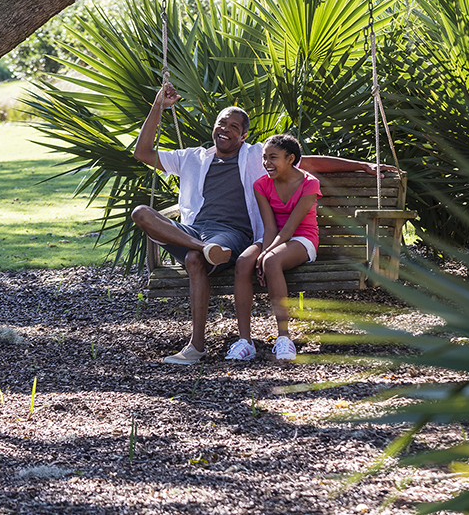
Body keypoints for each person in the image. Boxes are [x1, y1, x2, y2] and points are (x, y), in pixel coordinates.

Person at [132, 83, 393, 365]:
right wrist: (158, 105)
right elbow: (142, 153)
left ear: (243, 135)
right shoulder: (192, 158)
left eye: (234, 127)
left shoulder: (257, 156)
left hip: (231, 235)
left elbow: (307, 163)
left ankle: (195, 346)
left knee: (195, 260)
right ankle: (203, 248)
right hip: (195, 232)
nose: (226, 129)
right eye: (222, 123)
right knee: (141, 213)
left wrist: (362, 165)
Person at [226, 134, 319, 362]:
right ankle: (245, 341)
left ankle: (284, 338)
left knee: (271, 261)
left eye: (273, 158)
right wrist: (263, 251)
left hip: (302, 238)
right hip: (275, 237)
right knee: (244, 262)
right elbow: (269, 227)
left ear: (290, 159)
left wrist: (267, 255)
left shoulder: (310, 183)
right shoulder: (262, 185)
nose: (267, 163)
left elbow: (290, 228)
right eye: (264, 158)